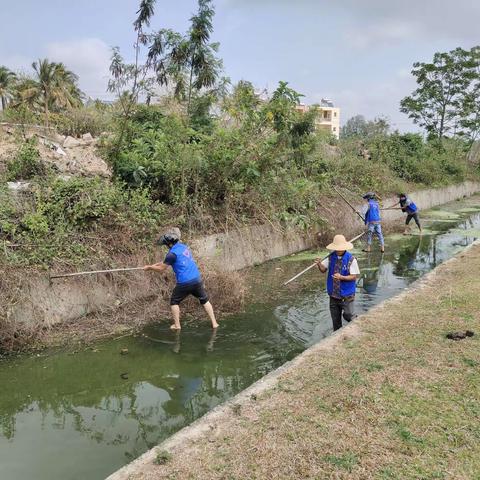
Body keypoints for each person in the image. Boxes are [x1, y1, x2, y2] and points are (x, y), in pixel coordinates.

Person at [143, 232, 219, 330]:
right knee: (204, 300)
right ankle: (214, 323)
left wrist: (149, 268)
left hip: (185, 282)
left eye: (166, 244)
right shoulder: (184, 247)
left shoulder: (171, 254)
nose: (166, 246)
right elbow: (168, 261)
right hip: (196, 279)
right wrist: (154, 265)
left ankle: (177, 325)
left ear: (169, 244)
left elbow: (162, 269)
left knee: (174, 301)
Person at [316, 234, 361, 331]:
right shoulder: (330, 257)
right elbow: (323, 270)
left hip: (346, 295)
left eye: (340, 248)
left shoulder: (351, 259)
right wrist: (319, 264)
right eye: (337, 248)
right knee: (335, 321)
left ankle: (356, 327)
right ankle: (337, 335)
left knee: (349, 315)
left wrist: (341, 277)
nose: (339, 250)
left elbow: (354, 277)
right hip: (333, 295)